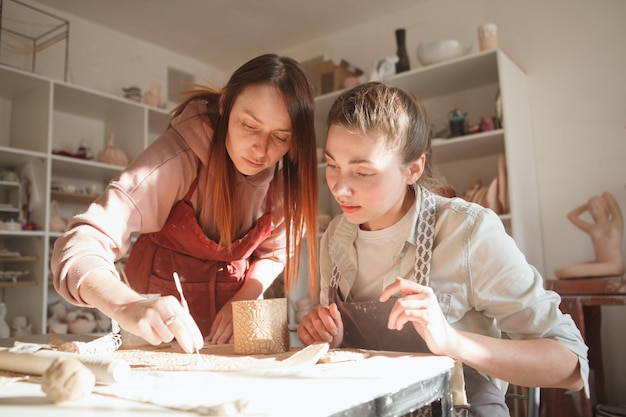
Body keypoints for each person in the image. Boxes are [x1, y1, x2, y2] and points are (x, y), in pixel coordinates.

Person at [297, 82, 588, 416]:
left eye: (363, 172)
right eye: (332, 165)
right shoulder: (335, 235)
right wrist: (327, 337)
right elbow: (340, 348)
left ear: (413, 169)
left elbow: (571, 366)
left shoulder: (468, 232)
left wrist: (452, 341)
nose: (339, 188)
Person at [51, 54, 318, 353]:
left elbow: (275, 254)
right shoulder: (177, 157)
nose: (262, 149)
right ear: (225, 103)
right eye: (249, 126)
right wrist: (127, 305)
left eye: (281, 137)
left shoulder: (283, 177)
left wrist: (245, 297)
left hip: (231, 329)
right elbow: (80, 241)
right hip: (156, 328)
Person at [554, 191, 625, 279]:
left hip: (614, 264)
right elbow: (571, 216)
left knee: (565, 271)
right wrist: (588, 205)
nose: (594, 211)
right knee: (559, 270)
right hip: (599, 263)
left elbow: (608, 195)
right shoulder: (592, 228)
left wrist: (597, 200)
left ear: (605, 208)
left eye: (597, 207)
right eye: (591, 209)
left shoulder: (616, 223)